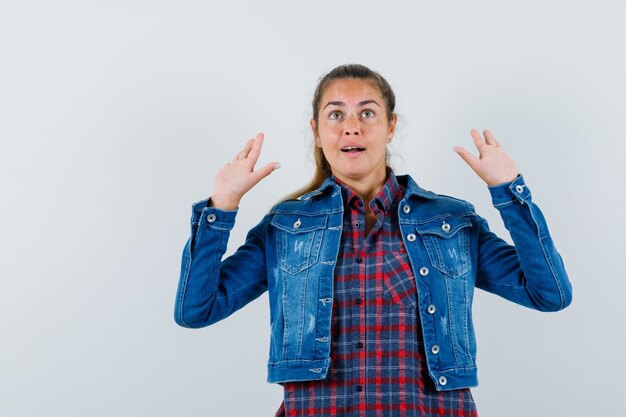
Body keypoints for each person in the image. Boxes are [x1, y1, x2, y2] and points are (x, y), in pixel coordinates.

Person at [174, 64, 572, 416]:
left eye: (367, 112)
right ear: (316, 131)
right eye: (336, 115)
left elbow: (549, 293)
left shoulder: (452, 222)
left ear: (390, 126)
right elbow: (196, 310)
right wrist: (220, 208)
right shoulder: (284, 227)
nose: (352, 126)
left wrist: (510, 193)